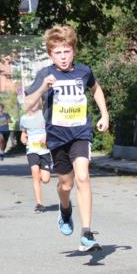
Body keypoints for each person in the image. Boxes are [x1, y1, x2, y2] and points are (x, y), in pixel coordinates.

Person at [24, 24, 109, 252]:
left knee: (83, 177)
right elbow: (28, 104)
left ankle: (86, 232)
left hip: (80, 132)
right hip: (57, 137)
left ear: (74, 51)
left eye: (67, 51)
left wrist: (104, 114)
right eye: (58, 52)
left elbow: (96, 89)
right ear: (51, 54)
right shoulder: (44, 74)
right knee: (66, 184)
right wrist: (43, 87)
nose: (63, 57)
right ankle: (65, 209)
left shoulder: (83, 71)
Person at [19, 99, 52, 213]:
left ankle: (40, 175)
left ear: (39, 104)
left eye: (35, 102)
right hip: (32, 150)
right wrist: (23, 138)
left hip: (44, 150)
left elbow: (51, 128)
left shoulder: (44, 115)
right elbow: (24, 133)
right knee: (35, 173)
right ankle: (39, 203)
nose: (32, 105)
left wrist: (46, 136)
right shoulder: (24, 118)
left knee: (46, 179)